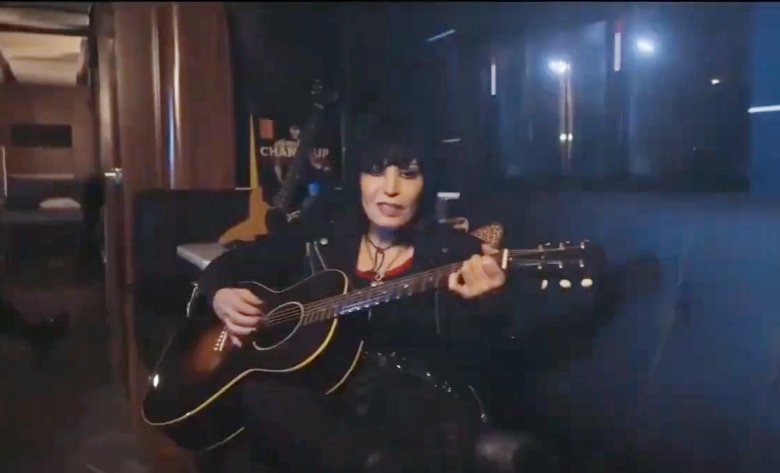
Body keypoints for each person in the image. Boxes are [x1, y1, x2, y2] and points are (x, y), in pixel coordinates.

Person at [194, 124, 536, 473]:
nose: (390, 189)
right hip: (322, 395)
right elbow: (231, 263)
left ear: (426, 182)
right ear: (357, 179)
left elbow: (491, 352)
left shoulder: (457, 252)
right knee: (253, 402)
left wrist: (489, 301)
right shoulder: (320, 236)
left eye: (408, 174)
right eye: (375, 172)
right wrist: (220, 293)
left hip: (414, 404)